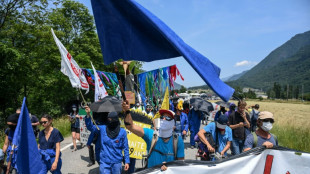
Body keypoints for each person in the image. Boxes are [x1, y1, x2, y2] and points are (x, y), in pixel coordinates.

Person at [122, 100, 184, 171]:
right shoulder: (151, 135)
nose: (163, 119)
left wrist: (169, 168)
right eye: (162, 117)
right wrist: (127, 111)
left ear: (173, 123)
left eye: (167, 118)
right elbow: (130, 127)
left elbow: (181, 166)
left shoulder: (178, 141)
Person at [85, 107, 129, 174]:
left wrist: (127, 162)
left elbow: (126, 148)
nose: (109, 121)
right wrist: (88, 115)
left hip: (116, 162)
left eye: (111, 119)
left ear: (115, 120)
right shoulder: (103, 129)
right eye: (108, 119)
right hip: (104, 162)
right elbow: (91, 127)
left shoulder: (122, 132)